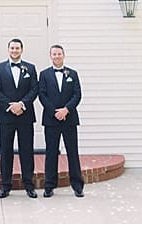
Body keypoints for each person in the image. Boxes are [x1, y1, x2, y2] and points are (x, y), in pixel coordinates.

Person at [0, 38, 39, 198]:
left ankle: (29, 184)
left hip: (25, 115)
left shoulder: (31, 68)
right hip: (6, 116)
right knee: (6, 151)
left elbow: (34, 89)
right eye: (12, 48)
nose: (14, 50)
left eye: (17, 48)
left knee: (27, 151)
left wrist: (22, 104)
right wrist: (11, 106)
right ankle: (5, 185)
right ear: (8, 50)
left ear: (22, 50)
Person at [38, 44, 85, 197]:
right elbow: (42, 95)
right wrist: (55, 112)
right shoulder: (44, 74)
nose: (57, 56)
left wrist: (66, 110)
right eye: (54, 54)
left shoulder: (73, 73)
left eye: (59, 54)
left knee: (72, 152)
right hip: (51, 120)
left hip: (69, 119)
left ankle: (77, 186)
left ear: (63, 55)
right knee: (51, 153)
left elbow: (77, 94)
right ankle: (49, 186)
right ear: (50, 56)